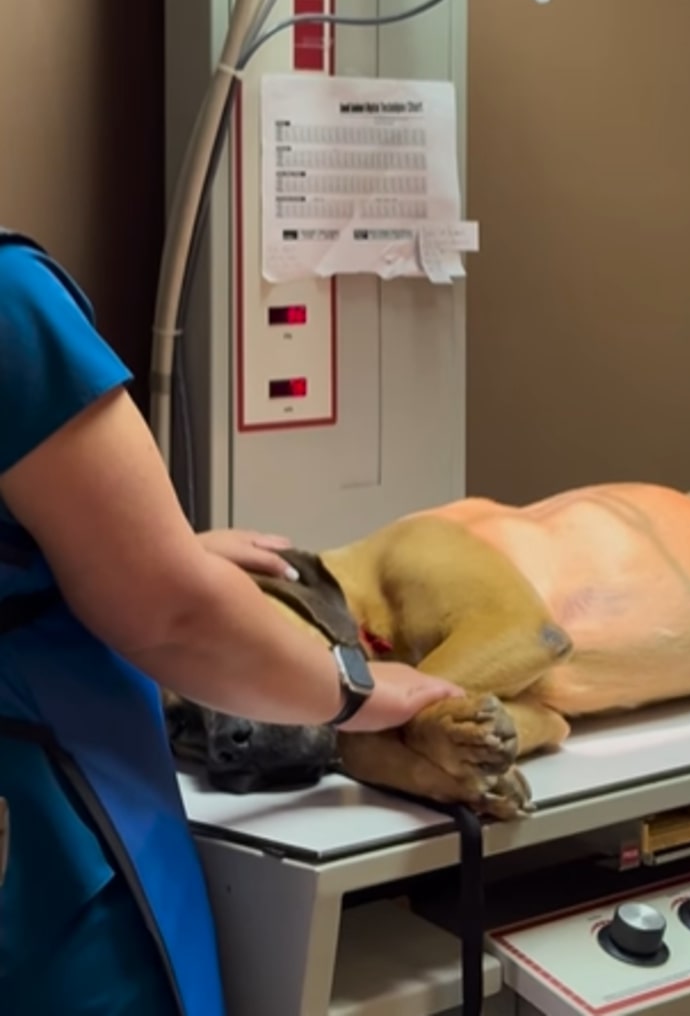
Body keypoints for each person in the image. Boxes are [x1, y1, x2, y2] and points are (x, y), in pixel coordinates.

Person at [0, 228, 463, 1016]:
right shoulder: (10, 300)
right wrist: (354, 690)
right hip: (45, 870)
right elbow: (172, 616)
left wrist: (114, 541)